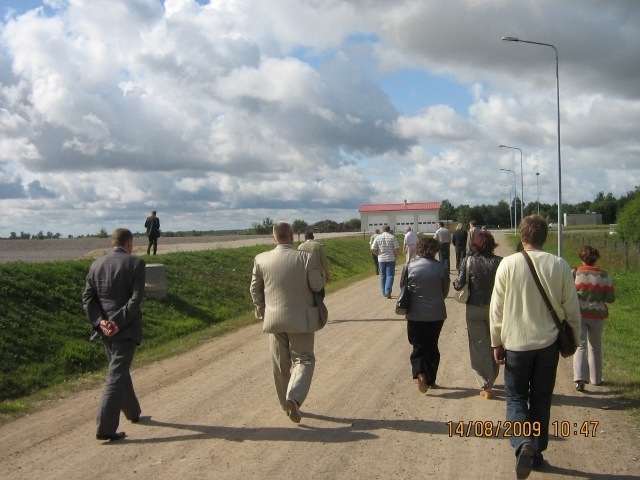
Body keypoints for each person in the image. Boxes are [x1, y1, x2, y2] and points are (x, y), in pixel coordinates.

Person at [490, 215, 580, 479]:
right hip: (548, 345)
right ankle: (536, 453)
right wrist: (574, 340)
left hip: (516, 344)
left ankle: (523, 442)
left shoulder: (508, 265)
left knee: (516, 397)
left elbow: (497, 309)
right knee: (541, 399)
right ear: (545, 237)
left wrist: (496, 342)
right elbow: (572, 309)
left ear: (522, 236)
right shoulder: (560, 265)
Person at [250, 221, 325, 424]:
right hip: (301, 319)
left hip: (273, 319)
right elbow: (317, 285)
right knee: (304, 359)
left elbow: (254, 290)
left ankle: (285, 404)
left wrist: (262, 310)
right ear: (292, 236)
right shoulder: (305, 258)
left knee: (280, 363)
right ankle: (294, 398)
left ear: (274, 237)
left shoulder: (261, 259)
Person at [83, 228, 145, 442]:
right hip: (125, 330)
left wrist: (101, 322)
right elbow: (136, 299)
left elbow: (88, 299)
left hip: (105, 331)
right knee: (116, 376)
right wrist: (117, 322)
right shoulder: (136, 264)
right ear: (129, 243)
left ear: (113, 242)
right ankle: (105, 427)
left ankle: (133, 412)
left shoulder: (96, 265)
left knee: (119, 371)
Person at [453, 231, 502, 399]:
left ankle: (485, 383)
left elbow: (459, 285)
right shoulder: (500, 262)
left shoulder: (469, 261)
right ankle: (492, 375)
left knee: (478, 345)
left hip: (474, 307)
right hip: (496, 309)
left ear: (475, 245)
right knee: (495, 343)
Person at [403, 237, 450, 392]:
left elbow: (403, 287)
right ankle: (430, 378)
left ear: (419, 248)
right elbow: (445, 290)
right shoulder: (441, 267)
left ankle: (419, 373)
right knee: (432, 345)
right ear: (435, 250)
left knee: (418, 345)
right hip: (436, 313)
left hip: (415, 313)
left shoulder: (409, 266)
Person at [573, 245, 615, 392]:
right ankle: (596, 379)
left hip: (579, 314)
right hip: (598, 315)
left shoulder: (575, 273)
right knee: (595, 346)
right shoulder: (605, 276)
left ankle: (579, 379)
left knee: (580, 345)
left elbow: (569, 293)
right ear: (596, 258)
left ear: (582, 258)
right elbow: (611, 298)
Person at [371, 225, 400, 298]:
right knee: (390, 275)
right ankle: (388, 291)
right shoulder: (392, 237)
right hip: (391, 258)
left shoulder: (378, 237)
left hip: (381, 259)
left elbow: (373, 249)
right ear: (389, 230)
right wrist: (395, 256)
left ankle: (384, 292)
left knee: (383, 276)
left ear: (382, 230)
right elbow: (396, 249)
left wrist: (378, 255)